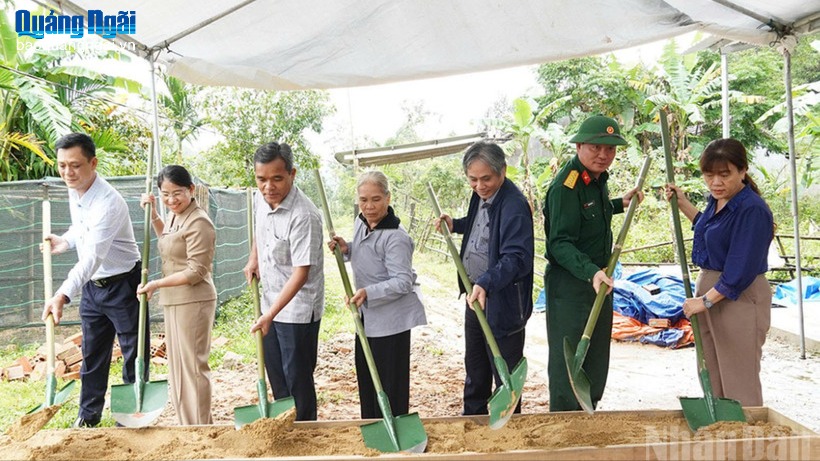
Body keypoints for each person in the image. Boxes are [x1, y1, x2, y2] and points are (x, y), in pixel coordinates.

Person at [40, 132, 148, 427]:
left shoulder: (109, 201)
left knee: (132, 353)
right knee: (92, 354)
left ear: (93, 163)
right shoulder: (75, 190)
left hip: (123, 284)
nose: (67, 173)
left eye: (74, 165)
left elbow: (92, 258)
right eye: (62, 166)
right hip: (92, 288)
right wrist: (66, 241)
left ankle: (130, 417)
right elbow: (83, 228)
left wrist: (62, 294)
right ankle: (88, 418)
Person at [543, 115, 643, 411]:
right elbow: (559, 243)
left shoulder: (597, 179)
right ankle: (563, 420)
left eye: (610, 149)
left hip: (600, 279)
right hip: (572, 284)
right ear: (578, 145)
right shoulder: (566, 185)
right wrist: (591, 272)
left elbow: (590, 214)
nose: (603, 155)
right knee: (569, 357)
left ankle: (588, 411)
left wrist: (618, 204)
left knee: (596, 353)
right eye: (596, 147)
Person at [666, 138, 773, 406]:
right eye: (709, 175)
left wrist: (703, 302)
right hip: (712, 291)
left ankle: (747, 439)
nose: (716, 182)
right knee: (712, 368)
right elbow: (707, 227)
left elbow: (739, 269)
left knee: (738, 374)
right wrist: (682, 203)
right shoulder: (717, 201)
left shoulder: (752, 210)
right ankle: (723, 430)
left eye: (724, 175)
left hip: (738, 296)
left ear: (743, 171)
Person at [435, 141, 534, 416]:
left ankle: (508, 427)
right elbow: (481, 225)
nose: (479, 186)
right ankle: (473, 420)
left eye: (486, 179)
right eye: (473, 179)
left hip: (503, 304)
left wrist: (486, 282)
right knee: (476, 367)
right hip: (475, 296)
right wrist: (457, 224)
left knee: (505, 374)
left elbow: (517, 258)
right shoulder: (480, 195)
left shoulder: (514, 205)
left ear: (502, 170)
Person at [328, 171, 427, 419]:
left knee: (390, 383)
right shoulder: (361, 222)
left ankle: (395, 431)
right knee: (367, 376)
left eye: (375, 199)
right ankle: (373, 424)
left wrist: (367, 292)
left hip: (391, 322)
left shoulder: (397, 237)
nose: (369, 207)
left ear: (388, 198)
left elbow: (403, 281)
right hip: (367, 317)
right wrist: (346, 249)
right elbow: (366, 253)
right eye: (363, 200)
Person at [246, 142, 324, 421]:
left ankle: (305, 429)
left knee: (297, 377)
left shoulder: (304, 215)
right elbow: (260, 228)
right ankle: (284, 426)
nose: (269, 187)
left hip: (298, 310)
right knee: (276, 372)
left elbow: (300, 273)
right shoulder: (261, 198)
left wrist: (269, 314)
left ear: (292, 173)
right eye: (261, 179)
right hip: (271, 303)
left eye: (277, 178)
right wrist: (254, 257)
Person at [136, 165, 217, 425]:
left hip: (194, 300)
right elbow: (169, 240)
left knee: (193, 368)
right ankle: (188, 425)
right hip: (174, 299)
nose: (172, 200)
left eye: (177, 193)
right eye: (165, 194)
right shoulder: (174, 215)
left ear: (191, 190)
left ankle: (199, 427)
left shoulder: (199, 221)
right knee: (179, 369)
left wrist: (157, 284)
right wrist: (154, 215)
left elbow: (196, 271)